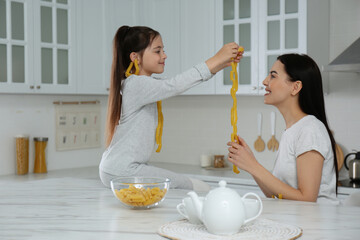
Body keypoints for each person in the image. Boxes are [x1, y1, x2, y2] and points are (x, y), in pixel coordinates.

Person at [99, 25, 243, 190]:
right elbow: (175, 84)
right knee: (194, 186)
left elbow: (181, 82)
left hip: (117, 168)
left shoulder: (140, 85)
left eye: (163, 50)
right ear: (135, 57)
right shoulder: (135, 84)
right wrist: (217, 58)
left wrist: (223, 62)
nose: (164, 55)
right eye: (157, 51)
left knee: (183, 188)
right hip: (123, 169)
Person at [227, 54, 339, 204]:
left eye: (273, 76)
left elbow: (307, 199)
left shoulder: (310, 130)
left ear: (296, 87)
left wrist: (254, 166)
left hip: (317, 225)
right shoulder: (292, 130)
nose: (265, 81)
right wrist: (250, 163)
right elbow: (276, 196)